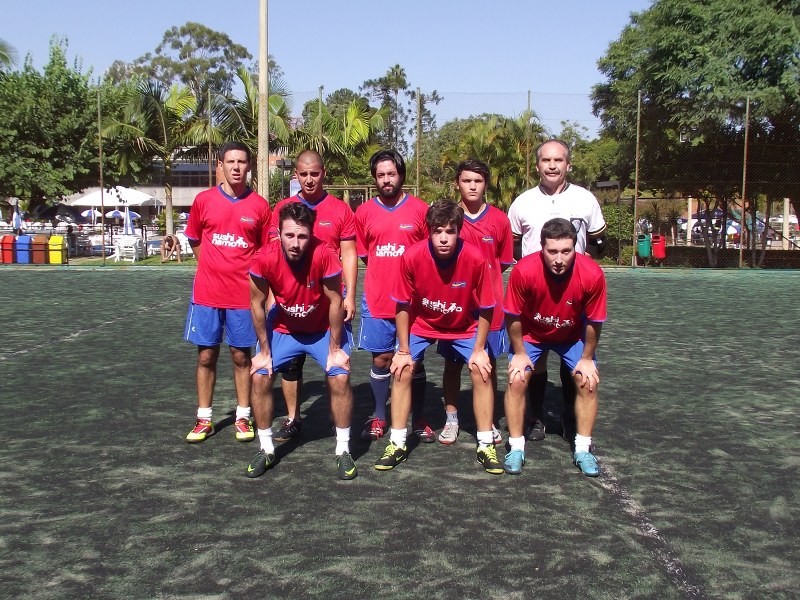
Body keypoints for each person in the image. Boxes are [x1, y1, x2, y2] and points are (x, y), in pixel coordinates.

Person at [375, 199, 503, 474]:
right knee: (402, 368)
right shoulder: (412, 256)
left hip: (463, 326)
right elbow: (402, 305)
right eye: (437, 231)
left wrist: (479, 348)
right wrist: (403, 350)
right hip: (422, 324)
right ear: (429, 231)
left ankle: (485, 444)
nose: (444, 238)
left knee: (481, 369)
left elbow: (486, 307)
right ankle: (397, 443)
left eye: (450, 231)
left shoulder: (475, 258)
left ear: (459, 231)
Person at [247, 202, 357, 480]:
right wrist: (263, 351)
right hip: (284, 328)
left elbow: (336, 302)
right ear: (278, 234)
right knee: (260, 375)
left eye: (302, 236)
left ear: (311, 234)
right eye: (289, 235)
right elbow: (256, 305)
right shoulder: (264, 258)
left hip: (322, 329)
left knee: (340, 376)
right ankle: (266, 448)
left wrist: (334, 348)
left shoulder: (325, 254)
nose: (295, 244)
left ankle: (343, 449)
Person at [507, 139, 607, 443]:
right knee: (534, 360)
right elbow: (513, 244)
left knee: (571, 355)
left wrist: (583, 265)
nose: (552, 166)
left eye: (559, 160)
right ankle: (536, 417)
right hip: (535, 291)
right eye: (546, 160)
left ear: (568, 164)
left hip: (573, 291)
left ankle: (569, 416)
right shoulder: (522, 202)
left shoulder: (585, 198)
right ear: (537, 165)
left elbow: (599, 242)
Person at [503, 218, 606, 477]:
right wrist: (519, 353)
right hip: (532, 334)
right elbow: (512, 316)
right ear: (541, 248)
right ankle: (516, 448)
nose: (559, 259)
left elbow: (594, 322)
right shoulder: (523, 271)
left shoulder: (592, 273)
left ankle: (583, 449)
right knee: (517, 379)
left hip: (572, 336)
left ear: (576, 248)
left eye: (566, 251)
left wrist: (587, 358)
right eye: (552, 251)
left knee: (588, 381)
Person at [183, 141, 271, 445]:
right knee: (206, 355)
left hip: (243, 296)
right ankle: (204, 418)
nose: (236, 167)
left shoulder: (259, 206)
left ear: (249, 166)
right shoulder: (203, 200)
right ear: (220, 165)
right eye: (230, 161)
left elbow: (265, 251)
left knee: (241, 356)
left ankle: (243, 416)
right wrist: (210, 266)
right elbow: (194, 238)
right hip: (207, 293)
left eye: (242, 162)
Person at [266, 150, 357, 443]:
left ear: (323, 173)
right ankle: (293, 418)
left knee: (335, 362)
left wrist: (350, 295)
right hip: (290, 302)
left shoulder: (340, 210)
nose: (309, 179)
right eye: (303, 174)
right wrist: (272, 297)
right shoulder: (283, 208)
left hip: (327, 301)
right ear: (296, 175)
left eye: (314, 174)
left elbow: (349, 254)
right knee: (290, 365)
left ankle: (335, 418)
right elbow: (272, 255)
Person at [355, 150, 430, 443]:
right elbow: (365, 255)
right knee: (382, 360)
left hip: (413, 304)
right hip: (377, 299)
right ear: (375, 179)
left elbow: (428, 254)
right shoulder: (363, 213)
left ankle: (419, 418)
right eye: (381, 175)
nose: (386, 180)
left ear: (401, 175)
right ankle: (379, 416)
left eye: (391, 174)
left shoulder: (420, 210)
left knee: (414, 362)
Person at [438, 159, 513, 446]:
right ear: (457, 183)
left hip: (488, 308)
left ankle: (487, 420)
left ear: (486, 184)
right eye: (466, 180)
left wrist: (484, 286)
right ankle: (451, 419)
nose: (472, 186)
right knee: (453, 365)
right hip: (455, 306)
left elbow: (502, 262)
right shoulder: (449, 219)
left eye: (478, 181)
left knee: (487, 364)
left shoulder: (500, 220)